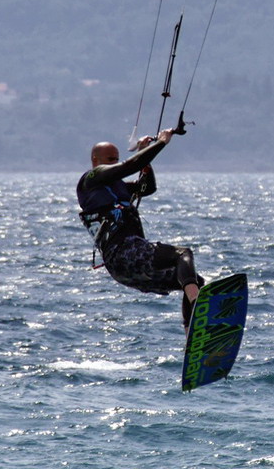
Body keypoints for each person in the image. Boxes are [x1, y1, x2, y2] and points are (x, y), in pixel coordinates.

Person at [77, 127, 204, 327]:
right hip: (124, 252)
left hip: (125, 269)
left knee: (194, 281)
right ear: (95, 160)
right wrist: (161, 142)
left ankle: (193, 331)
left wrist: (145, 156)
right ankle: (198, 306)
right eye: (111, 160)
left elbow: (147, 187)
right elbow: (128, 166)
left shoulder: (118, 187)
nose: (115, 163)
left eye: (116, 158)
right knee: (182, 254)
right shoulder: (91, 179)